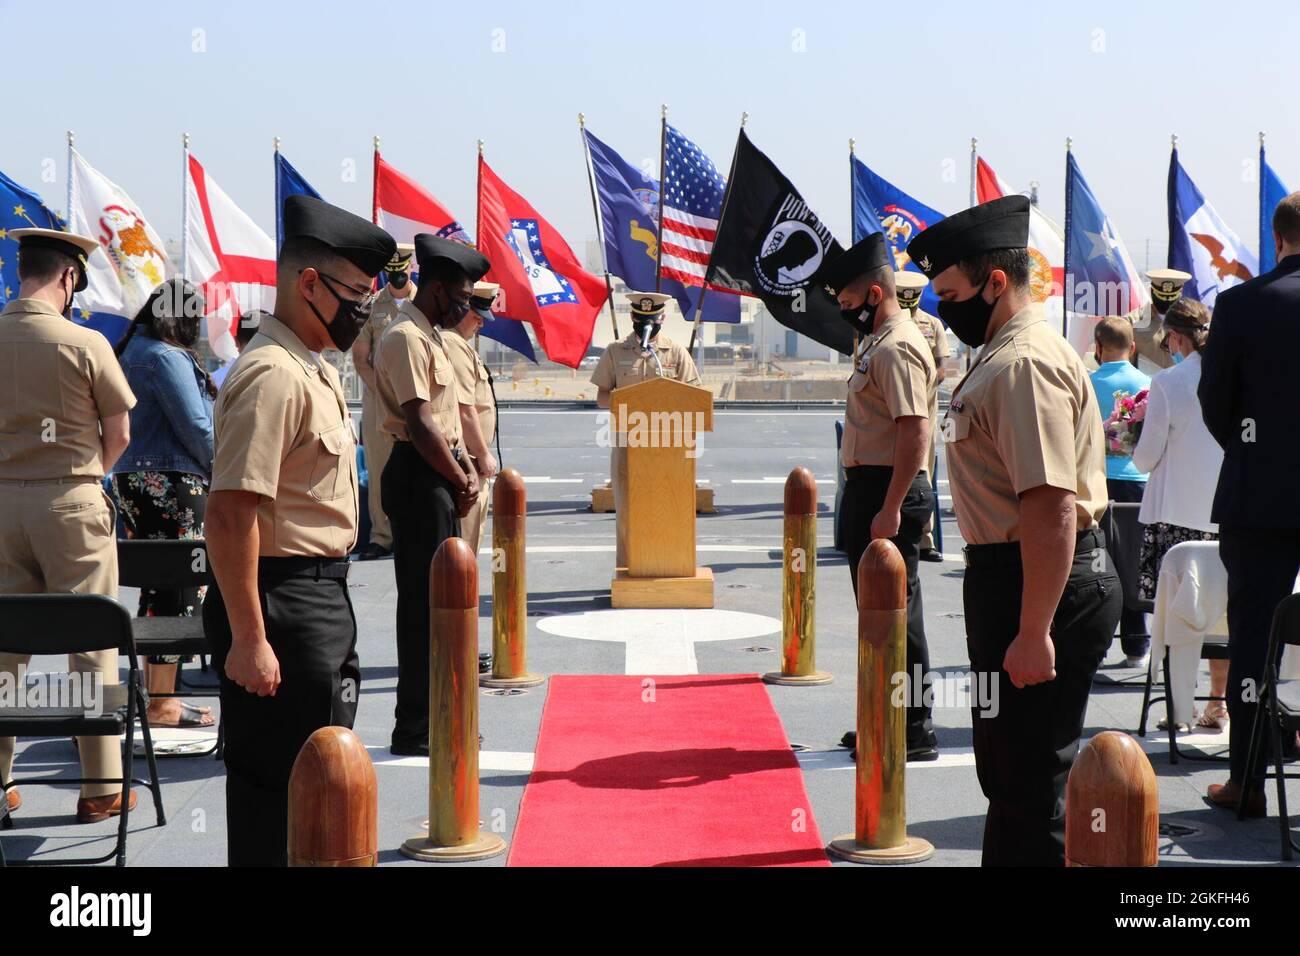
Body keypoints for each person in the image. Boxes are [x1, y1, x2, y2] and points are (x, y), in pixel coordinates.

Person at [907, 195, 1121, 866]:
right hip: (1012, 577)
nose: (943, 307)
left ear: (994, 282)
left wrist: (1035, 630)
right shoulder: (1001, 351)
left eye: (950, 292)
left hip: (1038, 581)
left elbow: (1050, 505)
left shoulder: (1023, 363)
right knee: (1007, 775)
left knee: (1027, 784)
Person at [203, 194, 395, 865]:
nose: (363, 307)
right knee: (279, 793)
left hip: (316, 596)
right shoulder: (271, 374)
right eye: (354, 292)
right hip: (279, 604)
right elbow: (230, 514)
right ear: (307, 284)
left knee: (319, 785)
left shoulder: (310, 365)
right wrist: (250, 638)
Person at [0, 227, 138, 824]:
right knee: (91, 644)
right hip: (72, 503)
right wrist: (83, 480)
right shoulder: (85, 343)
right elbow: (120, 434)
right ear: (69, 277)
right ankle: (100, 786)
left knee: (4, 650)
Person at [1197, 191, 1300, 817]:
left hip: (1259, 499)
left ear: (1278, 238)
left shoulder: (1239, 305)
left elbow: (1218, 405)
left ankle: (1248, 782)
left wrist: (1256, 449)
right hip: (1261, 490)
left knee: (1254, 639)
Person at [823, 236, 938, 761]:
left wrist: (890, 508)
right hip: (869, 487)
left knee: (898, 614)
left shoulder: (897, 345)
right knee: (877, 614)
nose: (846, 314)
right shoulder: (875, 343)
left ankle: (913, 726)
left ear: (874, 293)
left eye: (848, 304)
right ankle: (881, 715)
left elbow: (915, 431)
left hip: (889, 488)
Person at [375, 234, 483, 757]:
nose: (465, 307)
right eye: (460, 298)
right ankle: (416, 726)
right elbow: (419, 425)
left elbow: (448, 424)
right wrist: (461, 479)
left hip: (439, 474)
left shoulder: (433, 338)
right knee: (424, 607)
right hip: (417, 477)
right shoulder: (403, 338)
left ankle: (442, 715)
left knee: (446, 602)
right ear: (437, 290)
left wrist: (466, 471)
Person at [110, 278, 217, 729]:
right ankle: (164, 700)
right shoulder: (167, 357)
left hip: (131, 480)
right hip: (172, 482)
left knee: (155, 589)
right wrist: (224, 473)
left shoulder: (130, 352)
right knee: (181, 586)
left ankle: (158, 697)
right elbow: (197, 426)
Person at [1131, 298, 1225, 729]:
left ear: (1175, 336)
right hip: (1224, 512)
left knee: (1176, 614)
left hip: (1176, 514)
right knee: (1222, 614)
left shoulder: (1170, 381)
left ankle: (1179, 706)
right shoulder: (1232, 373)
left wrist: (1129, 438)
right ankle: (1218, 702)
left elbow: (1145, 458)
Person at [590, 292, 701, 568]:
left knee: (667, 507)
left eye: (651, 319)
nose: (645, 325)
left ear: (662, 318)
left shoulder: (675, 352)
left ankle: (665, 564)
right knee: (627, 511)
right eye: (641, 320)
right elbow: (602, 397)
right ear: (632, 318)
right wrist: (630, 403)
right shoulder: (616, 351)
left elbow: (696, 395)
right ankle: (628, 568)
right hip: (628, 443)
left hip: (669, 446)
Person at [1089, 315, 1152, 667]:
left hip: (1097, 480)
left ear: (1097, 347)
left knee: (1098, 563)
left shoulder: (1086, 382)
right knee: (1133, 561)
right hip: (1136, 481)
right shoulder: (1148, 383)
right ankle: (1136, 644)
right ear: (1133, 346)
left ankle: (1096, 641)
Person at [351, 244, 415, 560]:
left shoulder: (425, 303)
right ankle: (381, 535)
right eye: (392, 273)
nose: (398, 278)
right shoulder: (374, 306)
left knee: (417, 466)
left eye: (402, 272)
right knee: (378, 469)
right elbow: (361, 358)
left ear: (411, 267)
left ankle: (412, 531)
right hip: (379, 400)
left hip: (417, 400)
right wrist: (384, 392)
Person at [443, 280, 502, 555]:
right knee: (463, 549)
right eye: (477, 317)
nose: (481, 324)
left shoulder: (462, 346)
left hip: (473, 463)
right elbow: (465, 409)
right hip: (469, 463)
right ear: (462, 310)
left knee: (470, 546)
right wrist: (482, 454)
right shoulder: (453, 345)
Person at [896, 270, 949, 563]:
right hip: (890, 413)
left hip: (923, 412)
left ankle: (923, 539)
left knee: (922, 473)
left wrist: (924, 381)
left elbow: (943, 366)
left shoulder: (933, 325)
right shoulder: (881, 326)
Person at [1133, 269, 1192, 371]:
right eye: (1161, 297)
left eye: (1171, 297)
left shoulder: (1191, 322)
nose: (1166, 302)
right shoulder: (1134, 320)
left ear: (1181, 292)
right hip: (1146, 385)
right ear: (1151, 291)